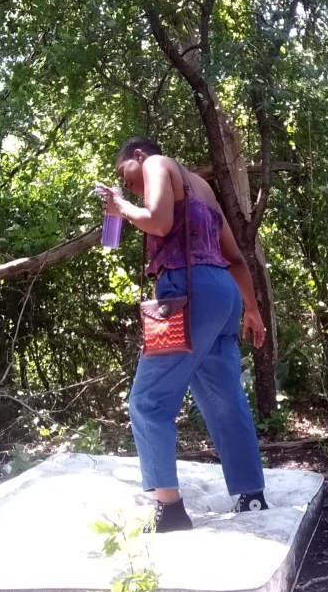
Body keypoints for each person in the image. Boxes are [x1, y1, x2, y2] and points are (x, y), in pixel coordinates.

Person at [97, 137, 269, 532]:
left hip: (184, 293)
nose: (134, 188)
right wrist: (253, 310)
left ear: (138, 156)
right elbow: (236, 258)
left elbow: (158, 221)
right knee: (224, 397)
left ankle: (169, 510)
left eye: (129, 177)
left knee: (147, 401)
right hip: (222, 295)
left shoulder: (157, 162)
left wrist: (121, 207)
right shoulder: (202, 188)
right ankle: (251, 494)